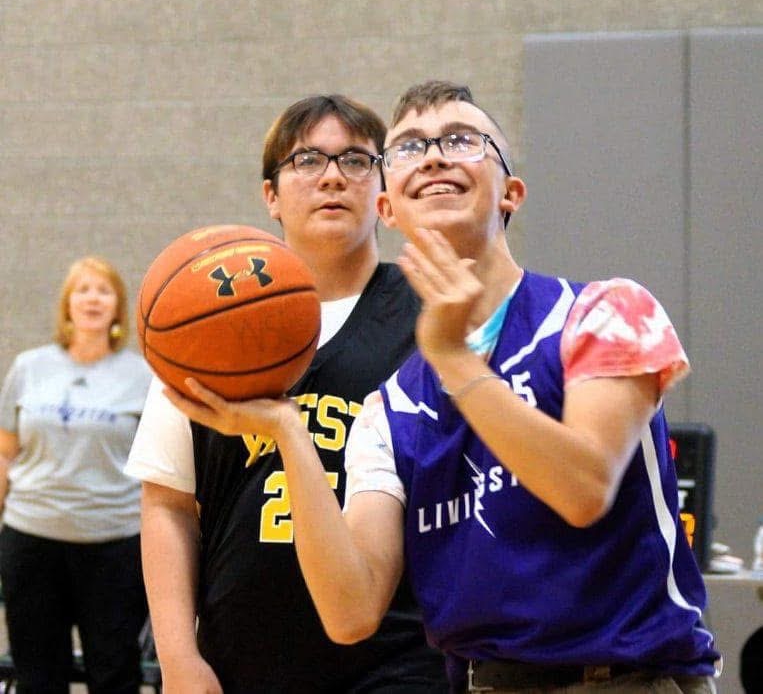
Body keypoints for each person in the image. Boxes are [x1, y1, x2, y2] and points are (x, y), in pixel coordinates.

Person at [165, 80, 722, 694]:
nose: (433, 155)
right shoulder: (390, 408)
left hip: (628, 681)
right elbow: (351, 613)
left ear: (510, 192)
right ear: (387, 207)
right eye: (406, 148)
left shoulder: (604, 310)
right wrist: (287, 433)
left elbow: (582, 488)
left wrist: (455, 361)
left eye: (461, 141)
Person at [125, 95, 448, 693]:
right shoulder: (200, 312)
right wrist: (177, 659)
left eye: (355, 159)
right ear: (270, 195)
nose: (331, 175)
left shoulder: (434, 312)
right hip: (241, 654)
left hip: (400, 654)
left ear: (382, 191)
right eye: (307, 160)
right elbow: (168, 502)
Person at [0, 255, 152, 694]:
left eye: (103, 291)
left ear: (117, 307)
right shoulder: (30, 367)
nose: (92, 299)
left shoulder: (141, 375)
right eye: (82, 290)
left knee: (115, 673)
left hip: (113, 546)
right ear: (67, 304)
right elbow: (6, 453)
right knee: (37, 674)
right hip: (31, 540)